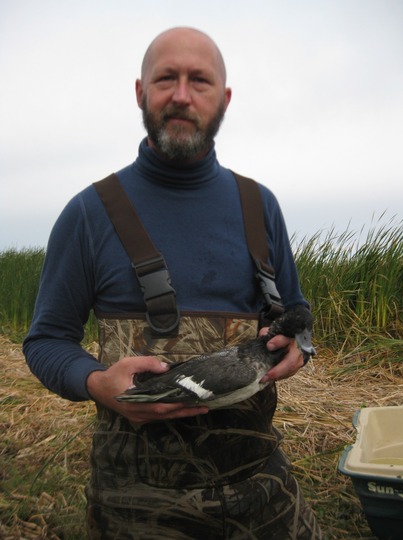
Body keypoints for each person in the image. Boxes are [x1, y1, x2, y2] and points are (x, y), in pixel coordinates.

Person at [24, 27, 322, 539]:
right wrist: (97, 383)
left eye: (199, 81)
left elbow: (295, 317)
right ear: (140, 92)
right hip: (136, 509)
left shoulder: (260, 206)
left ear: (224, 99)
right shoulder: (89, 214)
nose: (181, 95)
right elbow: (46, 340)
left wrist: (300, 347)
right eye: (166, 78)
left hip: (262, 495)